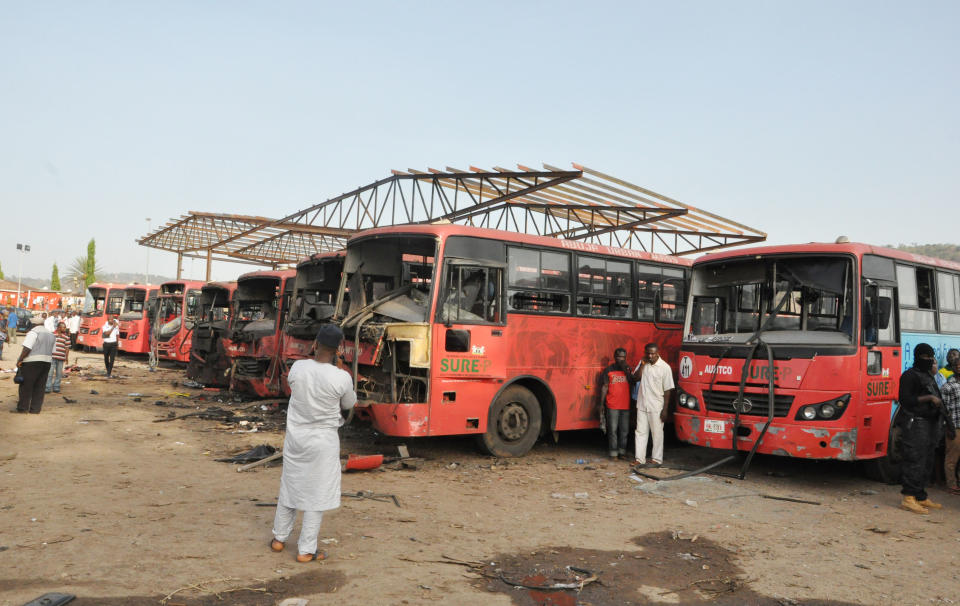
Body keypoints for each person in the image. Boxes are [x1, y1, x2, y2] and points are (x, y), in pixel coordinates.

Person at [271, 324, 356, 562]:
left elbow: (295, 388)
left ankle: (279, 539)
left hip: (296, 439)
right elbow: (349, 404)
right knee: (316, 495)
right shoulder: (342, 377)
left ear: (315, 344)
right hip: (323, 442)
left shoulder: (298, 367)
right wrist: (338, 372)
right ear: (338, 350)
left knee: (290, 485)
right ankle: (306, 551)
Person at [897, 343, 946, 514]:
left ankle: (920, 495)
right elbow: (905, 399)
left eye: (931, 357)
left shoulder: (927, 375)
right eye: (925, 357)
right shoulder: (909, 376)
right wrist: (929, 398)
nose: (929, 360)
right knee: (914, 459)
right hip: (915, 423)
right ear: (918, 357)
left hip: (930, 424)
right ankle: (908, 497)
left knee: (927, 460)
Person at [633, 342, 675, 468]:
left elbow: (668, 390)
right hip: (642, 404)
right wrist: (642, 365)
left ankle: (656, 459)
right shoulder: (643, 364)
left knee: (657, 433)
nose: (650, 356)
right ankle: (640, 459)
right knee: (640, 432)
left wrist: (665, 410)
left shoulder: (665, 367)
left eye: (653, 354)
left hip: (657, 406)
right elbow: (635, 378)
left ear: (658, 353)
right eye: (648, 353)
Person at [598, 347, 634, 460]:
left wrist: (626, 370)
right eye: (618, 356)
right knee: (612, 430)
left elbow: (633, 383)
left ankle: (622, 452)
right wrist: (601, 404)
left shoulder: (628, 370)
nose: (621, 359)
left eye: (623, 357)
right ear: (614, 357)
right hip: (612, 405)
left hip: (626, 406)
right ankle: (613, 453)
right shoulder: (608, 370)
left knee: (624, 430)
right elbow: (604, 387)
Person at [14, 322, 56, 414]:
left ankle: (22, 408)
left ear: (33, 324)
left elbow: (27, 348)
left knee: (26, 386)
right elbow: (53, 351)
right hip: (47, 362)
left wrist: (19, 359)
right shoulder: (51, 334)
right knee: (40, 386)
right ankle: (35, 409)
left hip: (31, 362)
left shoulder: (33, 332)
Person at [940, 356, 960, 496]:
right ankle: (951, 485)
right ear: (952, 368)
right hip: (955, 426)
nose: (959, 367)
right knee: (952, 457)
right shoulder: (947, 386)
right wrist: (948, 427)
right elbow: (944, 409)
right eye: (956, 365)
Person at [45, 323, 70, 394]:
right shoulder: (52, 335)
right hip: (52, 357)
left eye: (65, 327)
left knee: (59, 373)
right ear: (58, 328)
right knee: (50, 373)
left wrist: (66, 357)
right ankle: (48, 387)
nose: (65, 329)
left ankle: (56, 386)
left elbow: (67, 348)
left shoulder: (66, 337)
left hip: (61, 358)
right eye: (63, 327)